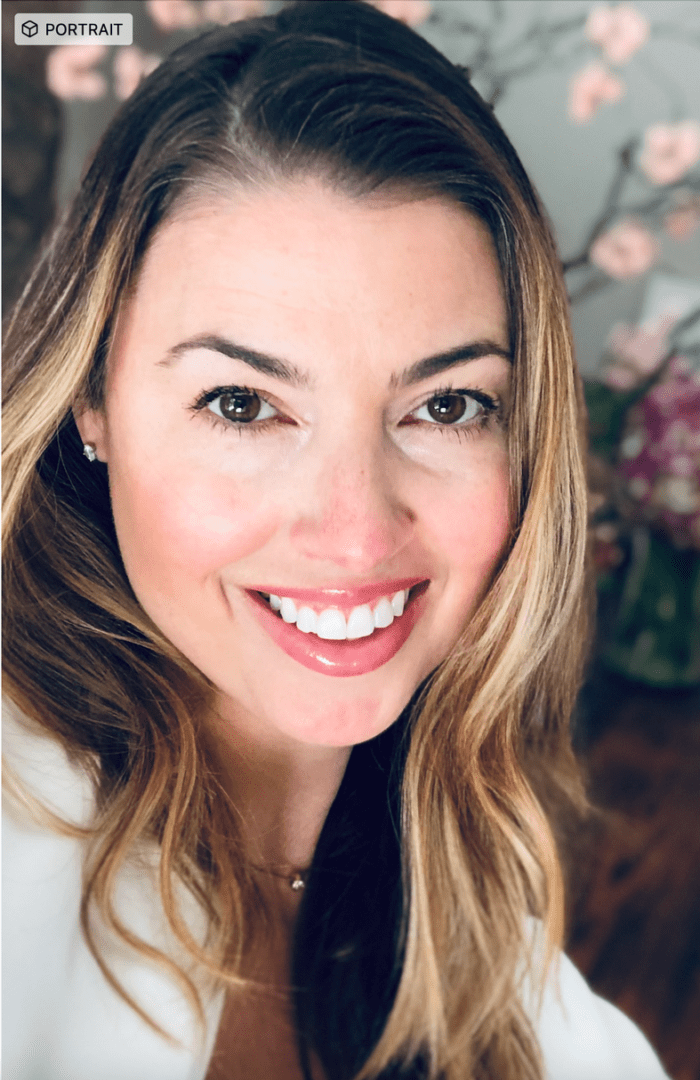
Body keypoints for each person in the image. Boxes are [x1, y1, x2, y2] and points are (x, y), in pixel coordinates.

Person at [2, 3, 671, 1078]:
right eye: (240, 404)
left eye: (446, 407)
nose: (356, 529)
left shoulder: (484, 925)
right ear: (93, 403)